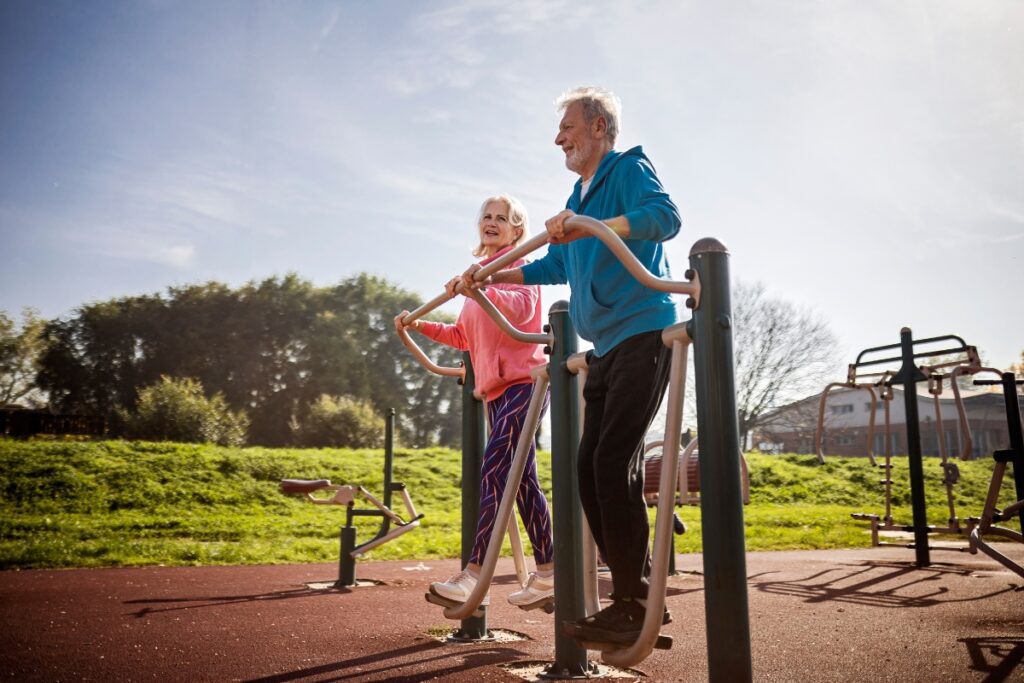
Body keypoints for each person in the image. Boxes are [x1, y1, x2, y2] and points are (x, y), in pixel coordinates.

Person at [462, 87, 680, 643]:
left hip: (643, 330)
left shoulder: (628, 169)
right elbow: (555, 264)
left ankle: (634, 600)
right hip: (604, 346)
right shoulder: (576, 196)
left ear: (599, 128)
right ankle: (634, 593)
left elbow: (665, 218)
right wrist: (488, 276)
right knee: (588, 472)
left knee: (612, 463)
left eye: (568, 128)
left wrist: (595, 226)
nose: (559, 138)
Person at [394, 194, 555, 609]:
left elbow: (521, 313)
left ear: (517, 230)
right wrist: (416, 324)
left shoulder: (518, 269)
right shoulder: (479, 277)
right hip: (495, 393)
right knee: (522, 483)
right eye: (487, 216)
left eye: (503, 218)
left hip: (526, 384)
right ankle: (551, 569)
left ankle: (474, 573)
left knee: (496, 466)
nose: (493, 222)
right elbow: (463, 337)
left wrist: (482, 285)